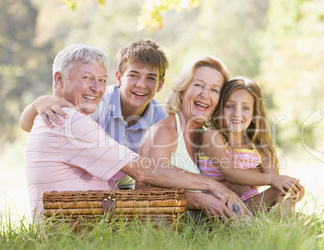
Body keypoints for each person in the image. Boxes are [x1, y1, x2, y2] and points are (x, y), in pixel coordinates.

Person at [25, 44, 248, 220]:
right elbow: (143, 171)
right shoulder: (70, 118)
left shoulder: (157, 116)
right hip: (74, 224)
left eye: (101, 80)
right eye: (86, 78)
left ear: (160, 84)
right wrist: (209, 186)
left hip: (88, 213)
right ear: (58, 79)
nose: (96, 87)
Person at [21, 39, 169, 189]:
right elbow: (30, 125)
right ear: (119, 78)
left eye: (150, 78)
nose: (141, 84)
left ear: (160, 84)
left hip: (125, 187)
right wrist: (38, 103)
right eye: (134, 75)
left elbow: (154, 171)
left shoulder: (160, 120)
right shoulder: (94, 103)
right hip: (89, 185)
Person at [138, 56, 244, 220]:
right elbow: (143, 190)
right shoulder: (164, 132)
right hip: (169, 233)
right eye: (198, 85)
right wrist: (198, 200)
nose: (205, 94)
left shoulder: (210, 138)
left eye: (214, 89)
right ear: (182, 91)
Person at [198, 77, 305, 214]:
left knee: (284, 191)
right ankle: (287, 225)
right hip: (223, 207)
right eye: (230, 106)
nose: (237, 114)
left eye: (245, 108)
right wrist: (272, 179)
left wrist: (295, 190)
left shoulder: (258, 148)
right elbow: (229, 173)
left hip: (250, 205)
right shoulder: (213, 136)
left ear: (254, 114)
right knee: (282, 192)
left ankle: (289, 226)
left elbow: (278, 182)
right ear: (220, 110)